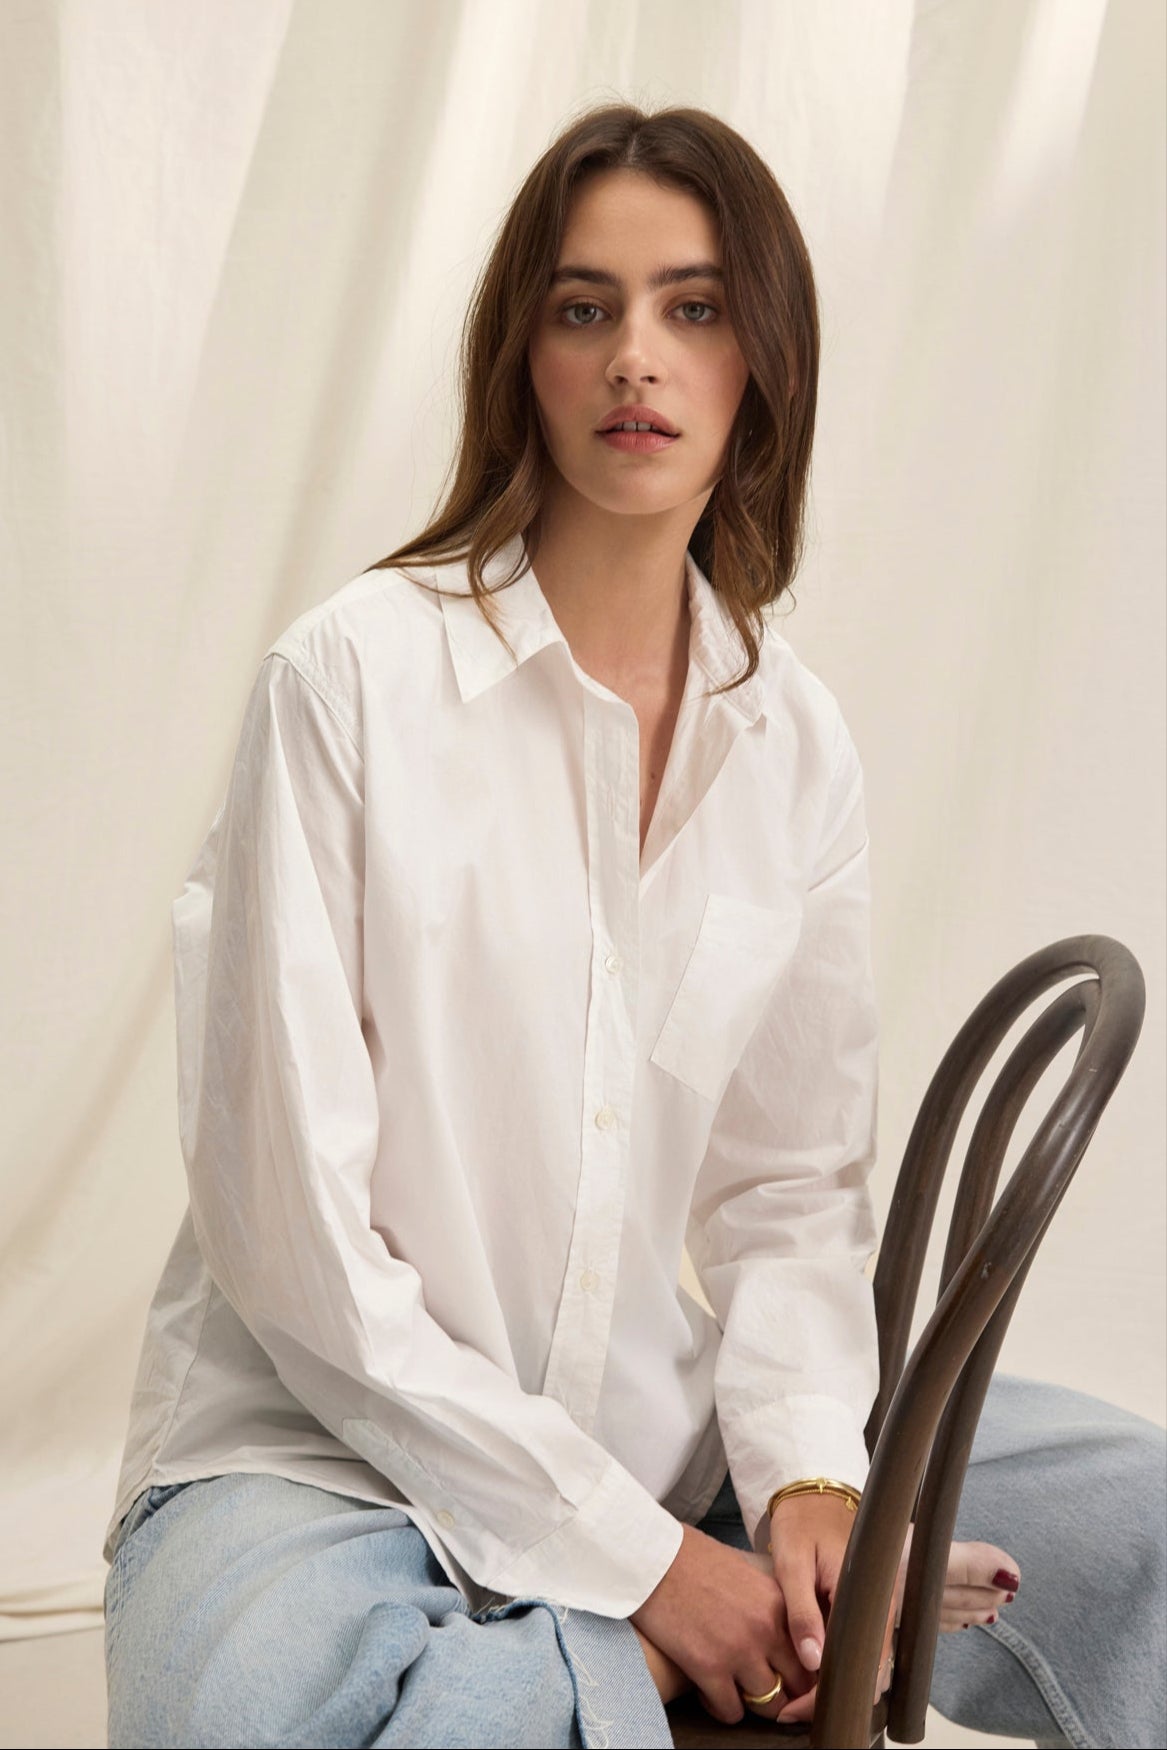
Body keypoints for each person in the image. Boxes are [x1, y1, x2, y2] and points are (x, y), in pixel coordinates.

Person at [104, 103, 1166, 1749]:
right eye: (583, 308)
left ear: (764, 364)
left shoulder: (791, 742)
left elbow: (787, 1189)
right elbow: (294, 1248)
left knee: (1151, 1529)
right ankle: (626, 1657)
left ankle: (625, 1652)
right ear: (521, 356)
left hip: (667, 1445)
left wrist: (810, 1476)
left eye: (694, 307)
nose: (635, 359)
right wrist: (648, 1568)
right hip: (317, 1457)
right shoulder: (349, 683)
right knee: (306, 1721)